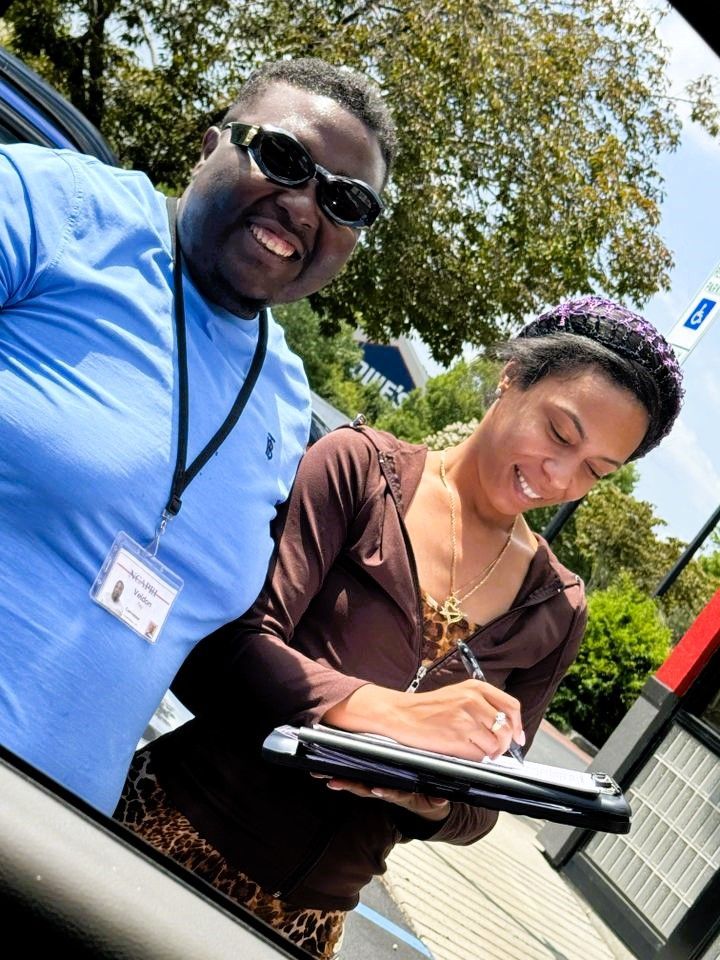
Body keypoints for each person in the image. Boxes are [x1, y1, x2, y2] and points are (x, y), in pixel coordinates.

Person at [115, 296, 684, 959]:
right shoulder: (357, 469)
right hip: (163, 834)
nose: (561, 477)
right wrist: (386, 716)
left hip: (303, 924)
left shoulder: (556, 608)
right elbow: (224, 651)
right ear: (511, 379)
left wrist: (422, 794)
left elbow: (482, 807)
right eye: (560, 434)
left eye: (596, 471)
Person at [0, 57, 397, 815]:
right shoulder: (58, 210)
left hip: (55, 847)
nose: (305, 206)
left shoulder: (284, 403)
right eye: (283, 158)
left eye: (346, 202)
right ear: (208, 145)